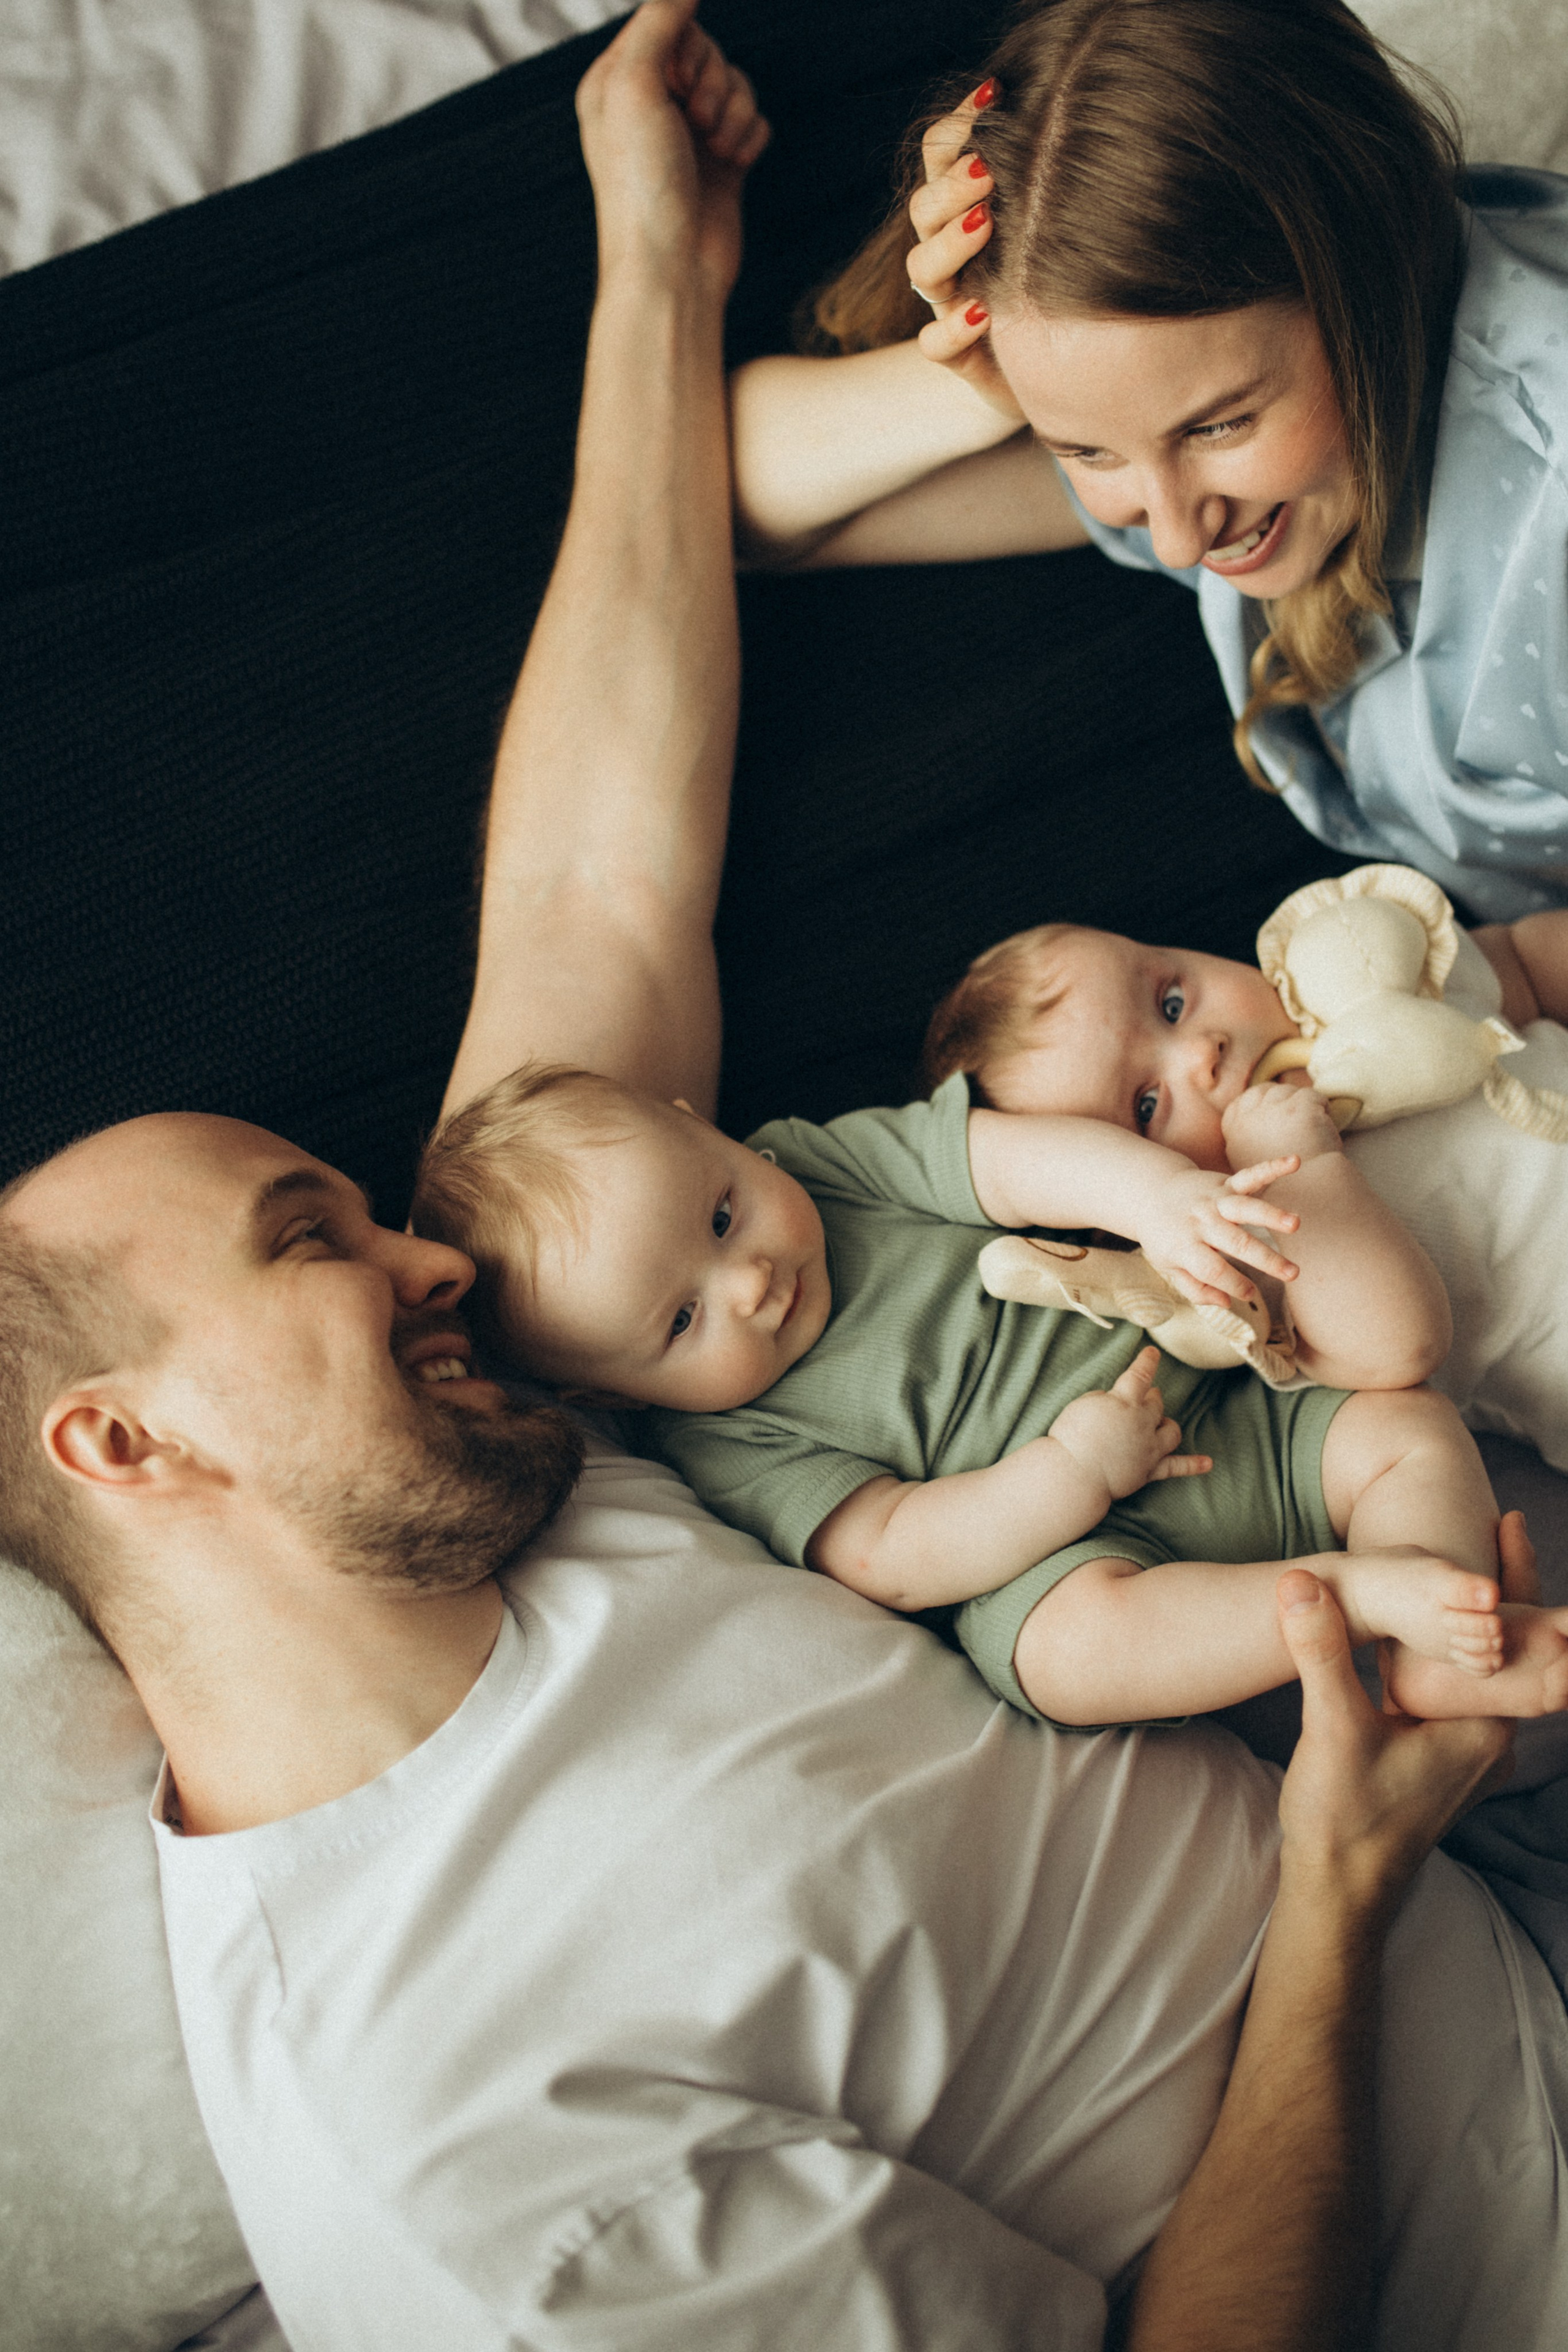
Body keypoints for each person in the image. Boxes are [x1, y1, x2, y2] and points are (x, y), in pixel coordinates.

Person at [1, 9, 1564, 2346]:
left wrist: (655, 256)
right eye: (310, 1242)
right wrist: (1334, 1898)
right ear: (125, 1443)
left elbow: (599, 875)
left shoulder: (555, 1385)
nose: (424, 1252)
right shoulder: (470, 2161)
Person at [411, 1042, 1568, 1728]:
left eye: (721, 1214)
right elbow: (894, 1551)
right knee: (1064, 1662)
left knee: (1404, 1426)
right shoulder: (723, 1442)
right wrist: (1070, 1474)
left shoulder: (821, 1161)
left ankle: (1437, 1642)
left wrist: (1160, 1199)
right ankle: (1354, 1596)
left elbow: (1012, 1162)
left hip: (1237, 1403)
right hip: (1075, 1547)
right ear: (618, 1399)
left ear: (709, 1135)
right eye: (681, 1319)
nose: (751, 1282)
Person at [726, 0, 1568, 924]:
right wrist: (991, 377)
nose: (1175, 540)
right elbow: (727, 510)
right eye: (1086, 448)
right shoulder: (1218, 433)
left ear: (1370, 272)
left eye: (1219, 428)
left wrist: (1499, 981)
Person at [924, 887, 1568, 1474]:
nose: (1203, 1053)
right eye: (1146, 1106)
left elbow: (1525, 961)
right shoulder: (1258, 1256)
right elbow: (1405, 1347)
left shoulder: (1363, 982)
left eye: (1171, 1003)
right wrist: (1305, 1172)